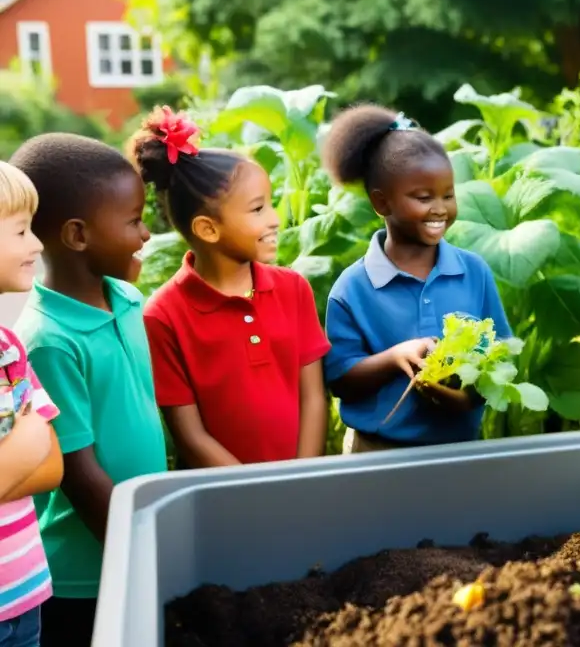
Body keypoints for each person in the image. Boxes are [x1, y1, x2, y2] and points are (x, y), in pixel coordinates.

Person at [9, 134, 168, 647]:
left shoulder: (124, 297)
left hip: (139, 538)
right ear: (78, 235)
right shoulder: (47, 341)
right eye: (133, 221)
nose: (145, 234)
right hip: (87, 574)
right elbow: (79, 475)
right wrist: (142, 553)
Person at [130, 107, 330, 467]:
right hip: (224, 500)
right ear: (208, 229)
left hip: (304, 487)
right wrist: (251, 492)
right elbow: (189, 435)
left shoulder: (293, 288)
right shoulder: (163, 315)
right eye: (257, 210)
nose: (274, 219)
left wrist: (304, 477)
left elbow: (314, 396)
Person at [321, 105, 512, 454]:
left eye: (448, 195)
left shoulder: (474, 272)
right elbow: (340, 380)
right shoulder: (352, 288)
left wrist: (465, 398)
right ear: (382, 203)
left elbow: (501, 356)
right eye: (423, 198)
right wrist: (395, 357)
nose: (439, 208)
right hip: (377, 452)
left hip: (462, 450)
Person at [0, 162, 62, 647]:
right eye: (21, 231)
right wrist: (24, 443)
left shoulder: (8, 349)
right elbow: (35, 448)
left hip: (23, 595)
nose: (37, 244)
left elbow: (52, 467)